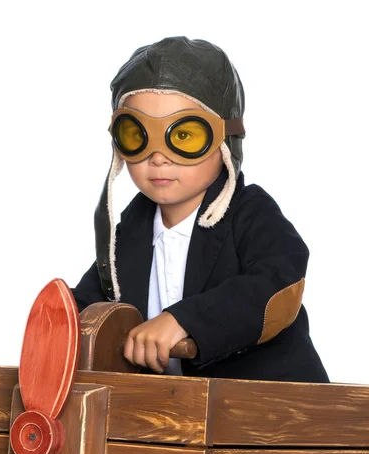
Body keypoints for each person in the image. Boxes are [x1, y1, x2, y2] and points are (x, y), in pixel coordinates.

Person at [72, 36, 329, 383]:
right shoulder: (133, 227)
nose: (158, 157)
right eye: (137, 135)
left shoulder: (249, 211)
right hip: (178, 414)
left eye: (184, 137)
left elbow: (277, 282)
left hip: (269, 408)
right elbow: (96, 298)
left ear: (225, 140)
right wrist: (62, 317)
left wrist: (184, 320)